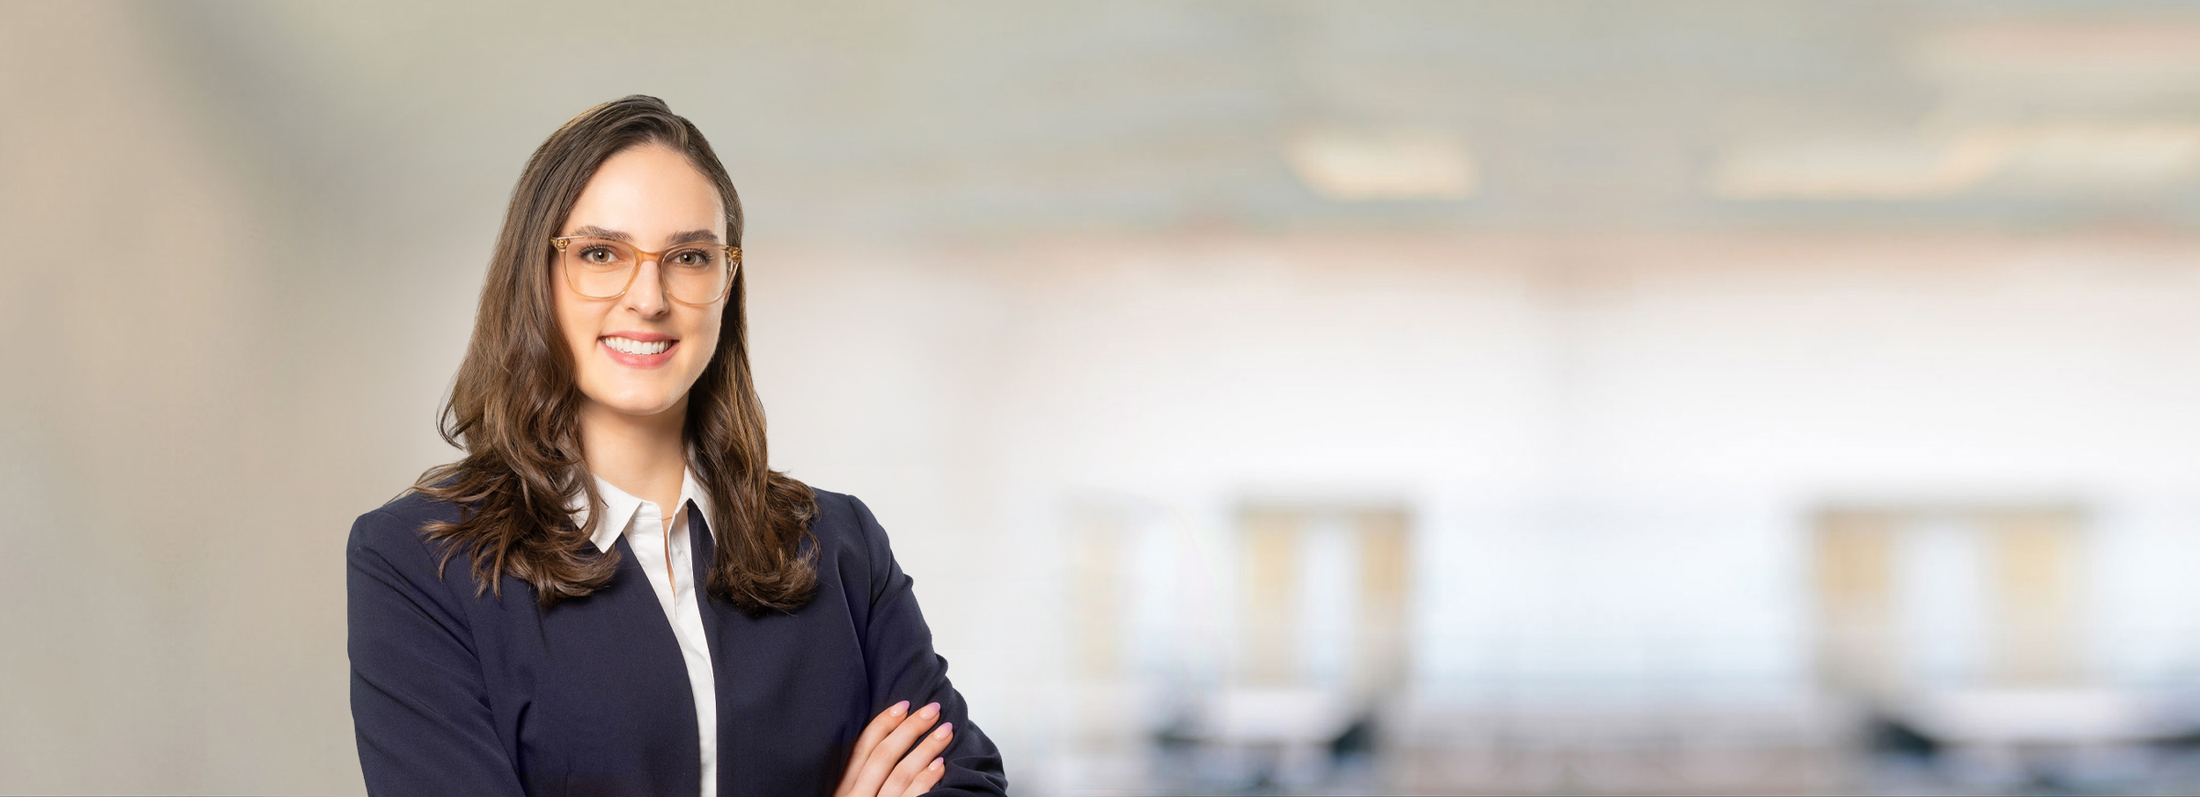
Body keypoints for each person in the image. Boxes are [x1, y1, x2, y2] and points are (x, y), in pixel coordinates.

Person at [346, 95, 1007, 796]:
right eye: (600, 253)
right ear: (535, 277)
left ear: (727, 282)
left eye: (689, 256)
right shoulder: (417, 562)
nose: (649, 297)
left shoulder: (842, 548)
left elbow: (963, 780)